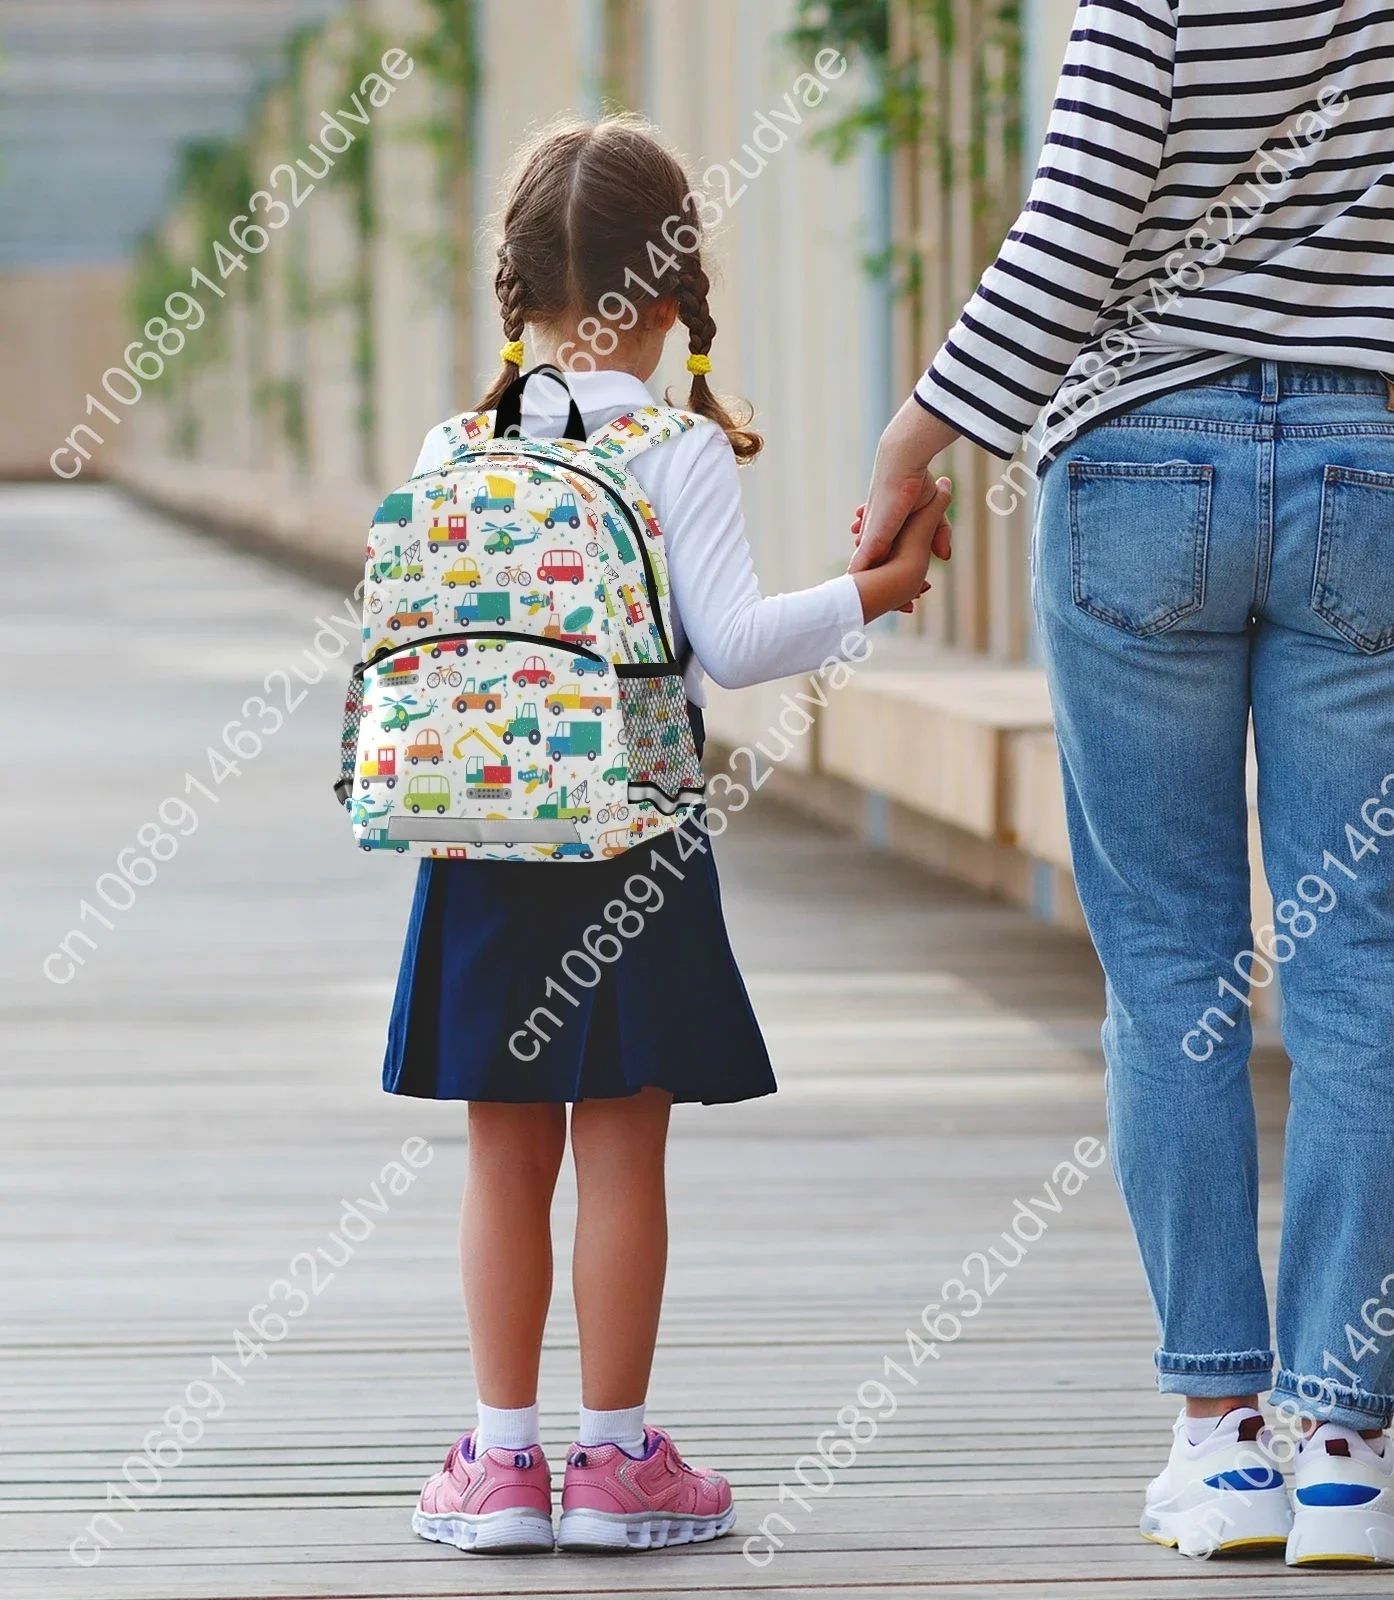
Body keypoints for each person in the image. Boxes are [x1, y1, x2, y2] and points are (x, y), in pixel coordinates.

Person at [855, 0, 1394, 1570]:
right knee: (1362, 973)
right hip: (1383, 474)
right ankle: (1346, 1460)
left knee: (1170, 964)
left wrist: (912, 446)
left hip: (1137, 469)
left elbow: (1073, 229)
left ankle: (1222, 1446)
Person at [389, 116, 950, 1554]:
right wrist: (873, 592)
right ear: (666, 293)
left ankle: (502, 1467)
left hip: (480, 832)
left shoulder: (457, 444)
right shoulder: (674, 445)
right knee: (621, 1155)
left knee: (500, 1153)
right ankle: (621, 1459)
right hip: (631, 840)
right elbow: (742, 646)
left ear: (516, 289)